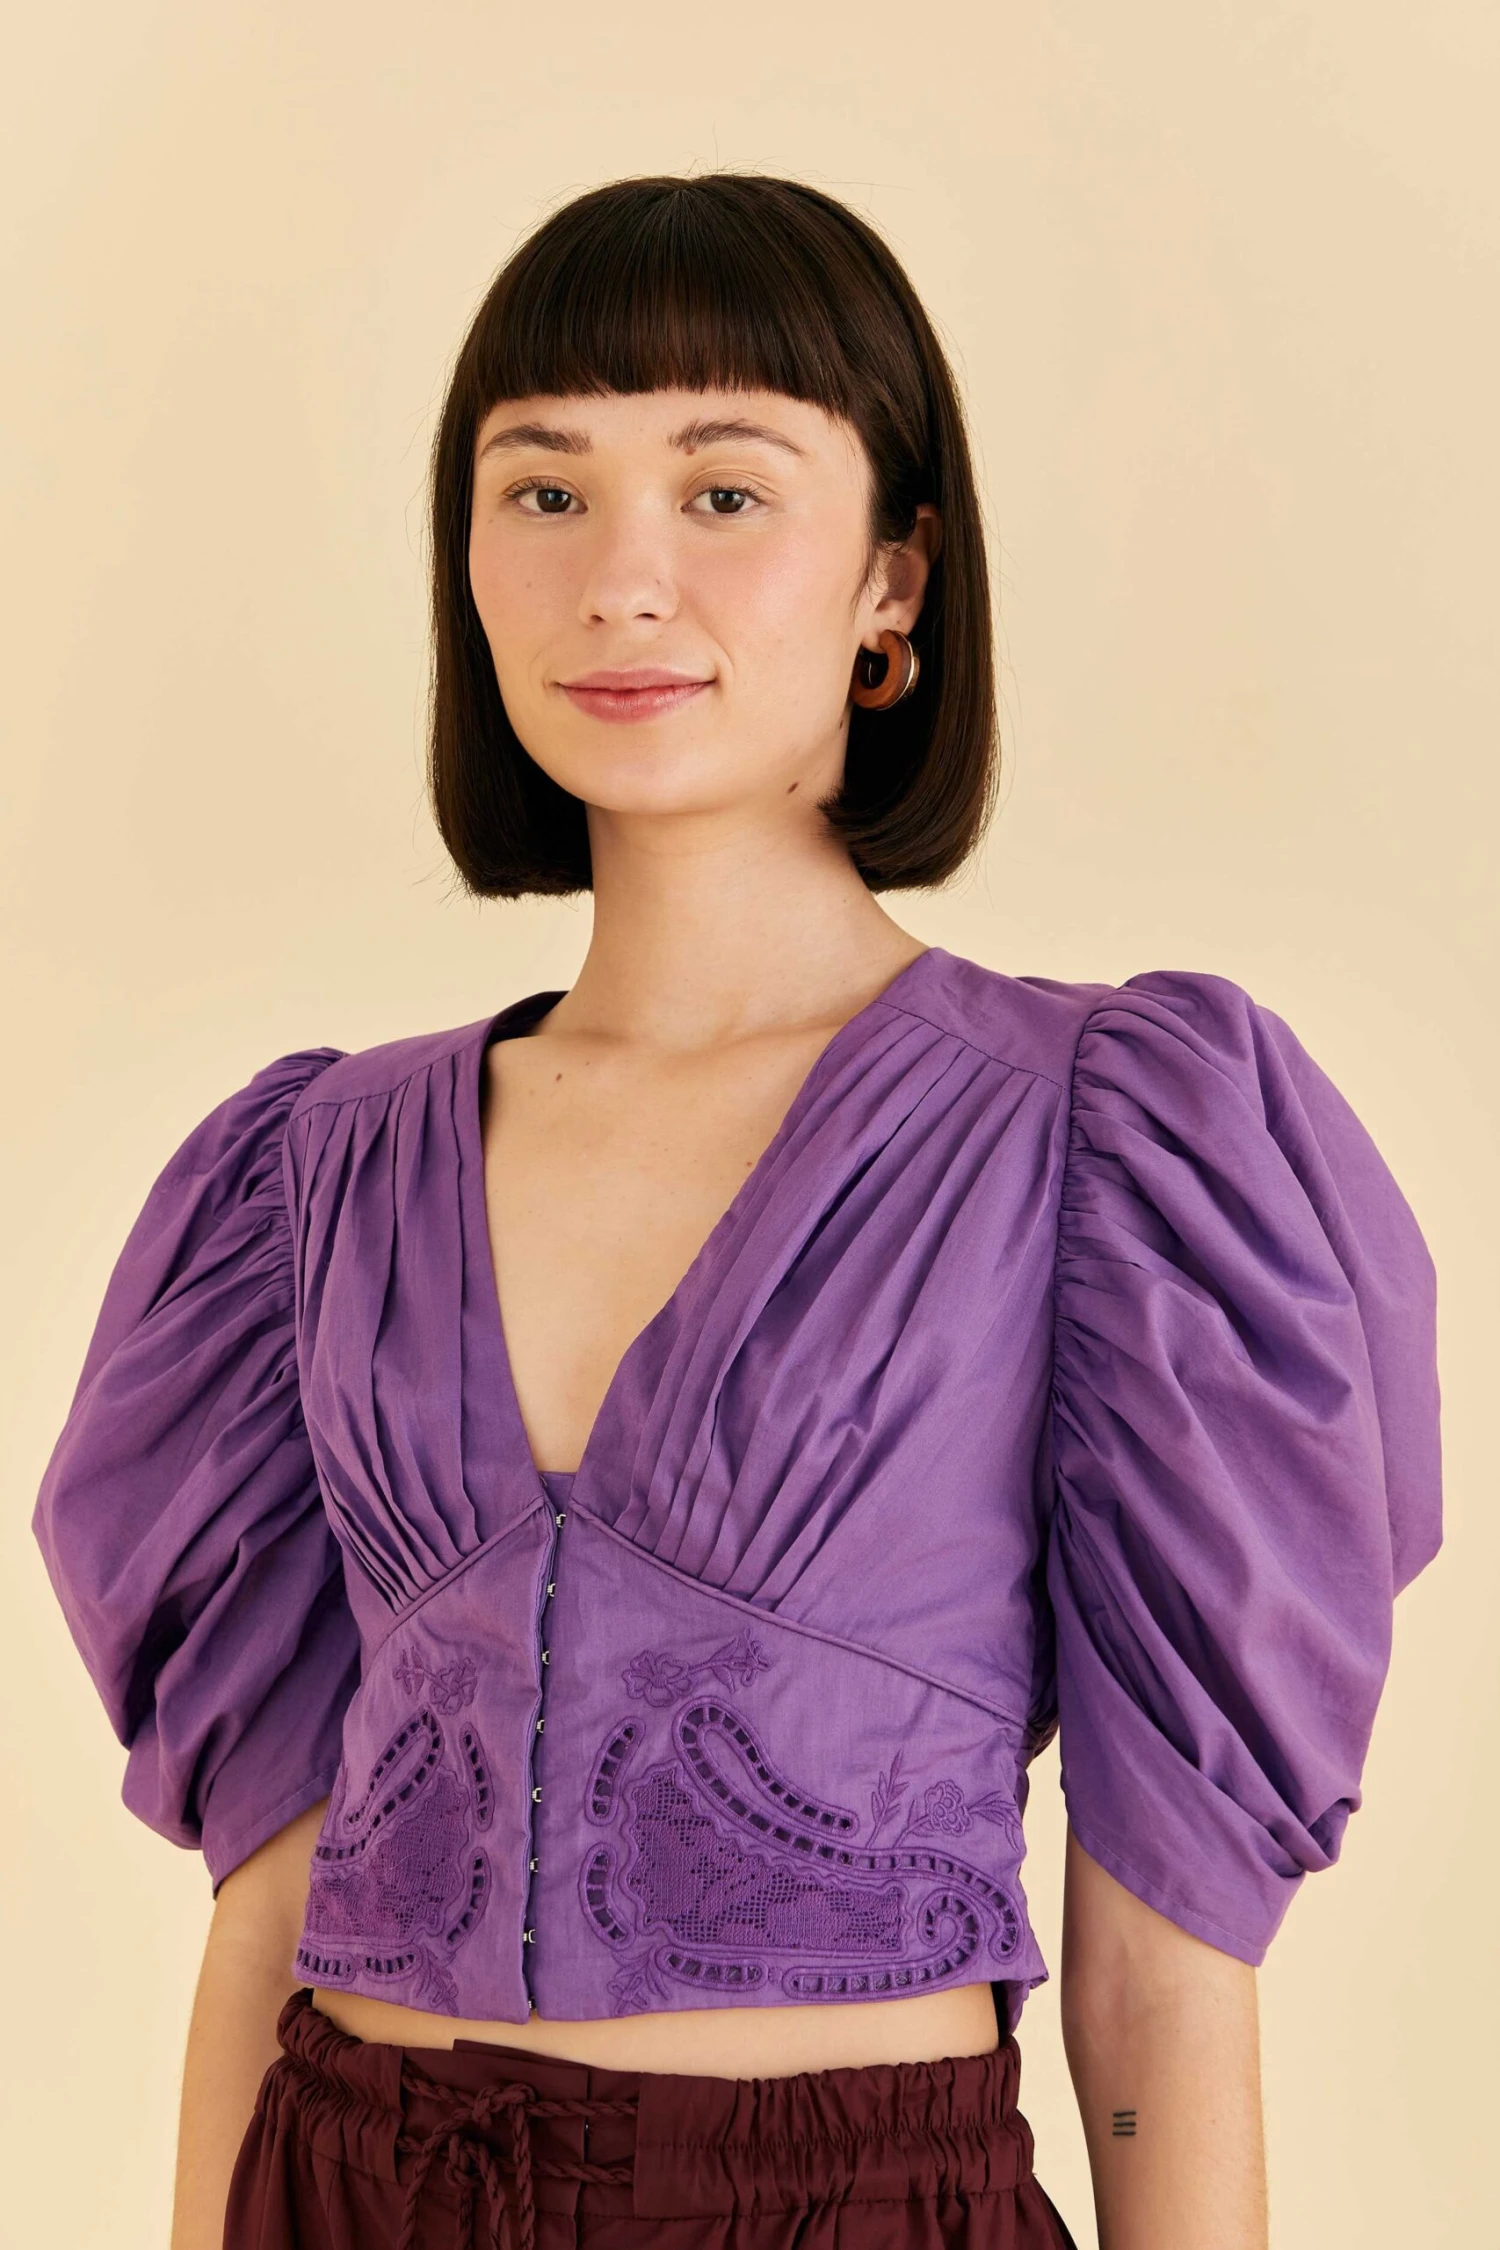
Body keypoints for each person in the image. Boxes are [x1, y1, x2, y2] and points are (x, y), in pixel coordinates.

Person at [32, 173, 1443, 2250]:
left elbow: (1162, 1963)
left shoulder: (1107, 1142)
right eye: (544, 492)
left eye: (723, 492)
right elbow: (271, 1899)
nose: (622, 581)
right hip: (342, 2181)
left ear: (895, 579)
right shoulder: (310, 1174)